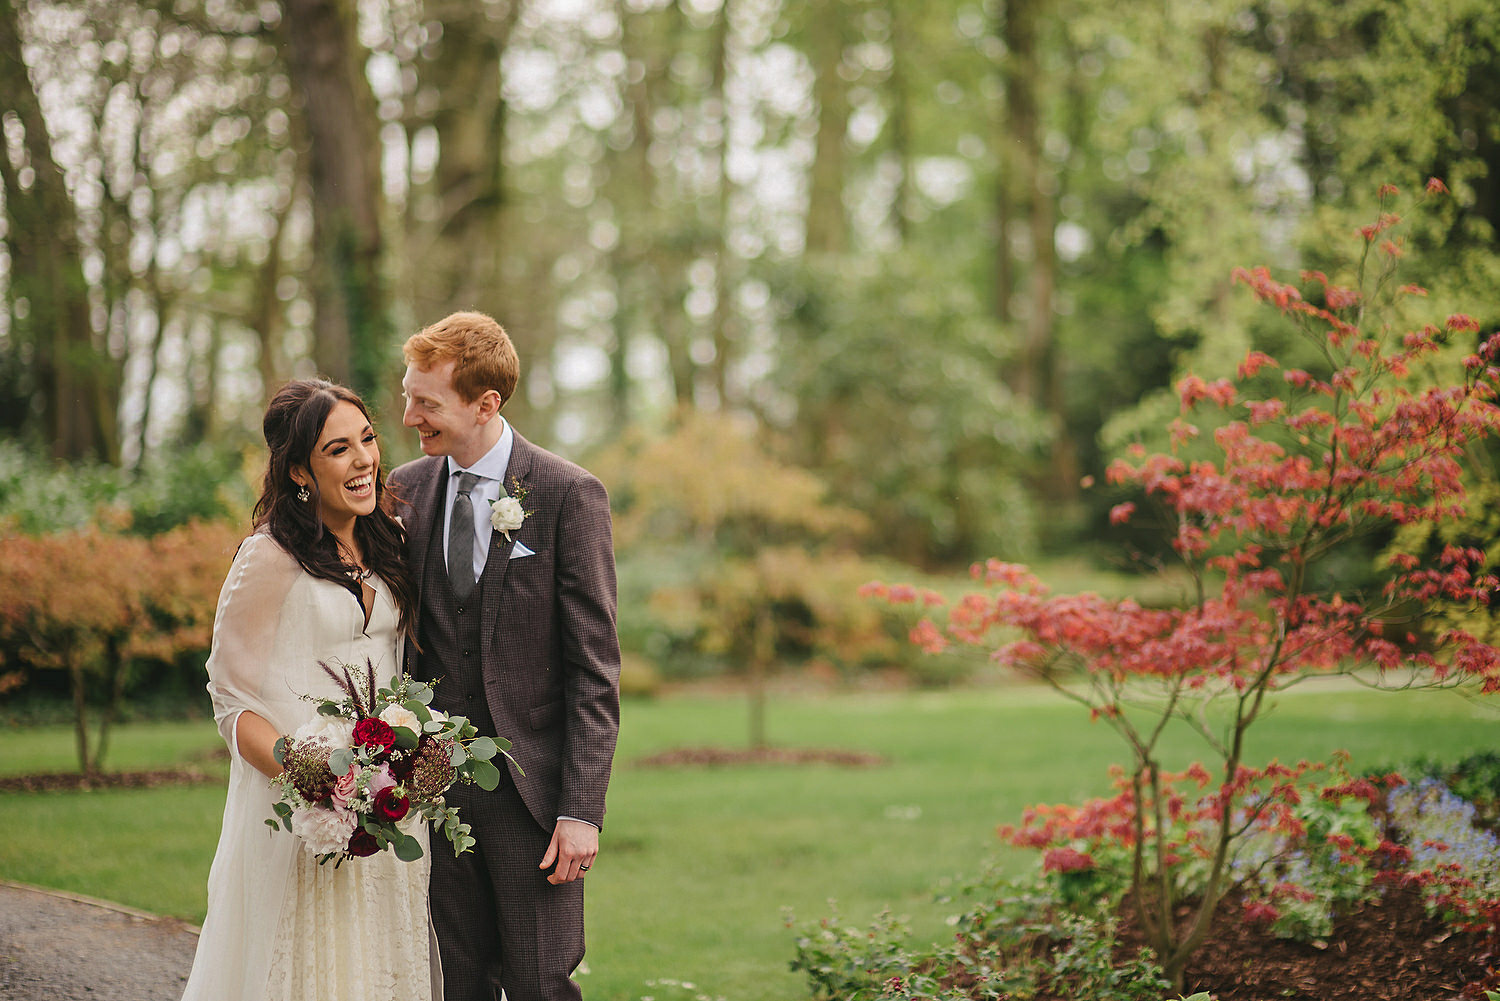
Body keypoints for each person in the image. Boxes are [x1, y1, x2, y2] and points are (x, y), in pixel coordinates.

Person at [388, 311, 621, 1001]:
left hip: (533, 803)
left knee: (540, 982)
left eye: (426, 403)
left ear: (485, 403)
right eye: (408, 395)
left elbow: (594, 670)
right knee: (454, 982)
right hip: (431, 791)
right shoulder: (405, 490)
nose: (408, 416)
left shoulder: (566, 494)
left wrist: (581, 808)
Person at [182, 379, 440, 1001]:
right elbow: (230, 698)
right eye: (338, 449)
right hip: (298, 816)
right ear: (299, 468)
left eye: (368, 440)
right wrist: (307, 772)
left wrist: (409, 760)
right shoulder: (267, 558)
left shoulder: (393, 541)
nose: (364, 461)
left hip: (386, 811)